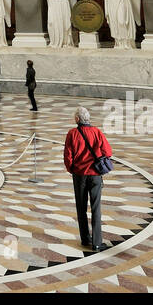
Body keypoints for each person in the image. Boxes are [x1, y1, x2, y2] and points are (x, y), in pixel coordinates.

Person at [64, 107, 113, 252]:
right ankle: (97, 243)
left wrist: (72, 169)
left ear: (77, 119)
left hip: (79, 176)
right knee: (96, 208)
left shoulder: (72, 133)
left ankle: (85, 239)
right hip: (95, 176)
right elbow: (108, 152)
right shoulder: (97, 132)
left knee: (81, 208)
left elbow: (68, 156)